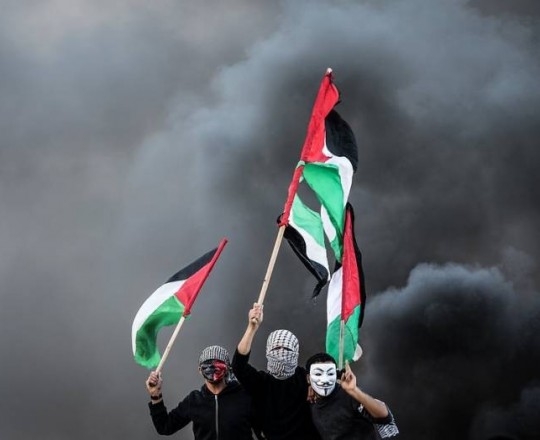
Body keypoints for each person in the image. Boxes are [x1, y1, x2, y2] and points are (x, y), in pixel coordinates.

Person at [232, 303, 321, 440]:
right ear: (268, 351)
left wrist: (316, 385)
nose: (281, 353)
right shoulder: (261, 383)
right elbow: (238, 365)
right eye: (276, 349)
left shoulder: (307, 378)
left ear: (295, 352)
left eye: (287, 349)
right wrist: (251, 328)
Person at [146, 345, 255, 440]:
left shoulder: (243, 396)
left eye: (218, 363)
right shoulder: (194, 400)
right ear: (200, 369)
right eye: (207, 364)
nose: (212, 368)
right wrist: (155, 395)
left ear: (227, 368)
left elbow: (263, 427)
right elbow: (165, 427)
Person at [306, 352, 399, 440]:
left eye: (330, 373)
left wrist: (354, 390)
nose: (325, 380)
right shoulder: (309, 400)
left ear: (336, 374)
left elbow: (383, 415)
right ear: (308, 378)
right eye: (318, 374)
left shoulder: (348, 395)